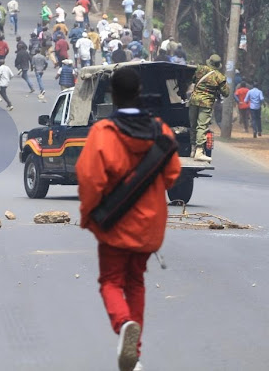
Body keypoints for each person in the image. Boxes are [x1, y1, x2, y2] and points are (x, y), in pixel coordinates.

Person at [76, 67, 181, 371]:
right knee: (135, 281)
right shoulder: (160, 129)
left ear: (112, 96)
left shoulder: (103, 133)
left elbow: (90, 180)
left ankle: (123, 325)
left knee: (110, 281)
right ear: (139, 93)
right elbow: (172, 175)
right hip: (150, 226)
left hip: (114, 226)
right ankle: (134, 352)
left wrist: (89, 217)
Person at [188, 55, 228, 162]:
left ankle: (192, 149)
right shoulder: (219, 77)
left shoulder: (200, 69)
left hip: (194, 100)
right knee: (202, 126)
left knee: (193, 125)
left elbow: (191, 80)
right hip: (206, 103)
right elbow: (226, 93)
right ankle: (199, 151)